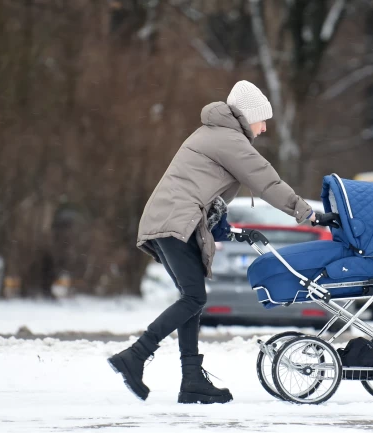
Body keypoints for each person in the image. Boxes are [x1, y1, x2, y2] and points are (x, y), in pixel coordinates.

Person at [108, 80, 333, 404]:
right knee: (194, 298)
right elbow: (266, 179)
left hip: (170, 220)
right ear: (247, 115)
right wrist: (306, 212)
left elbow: (208, 196)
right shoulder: (229, 139)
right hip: (175, 223)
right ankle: (136, 355)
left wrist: (228, 229)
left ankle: (191, 380)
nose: (265, 127)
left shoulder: (215, 135)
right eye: (262, 119)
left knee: (192, 299)